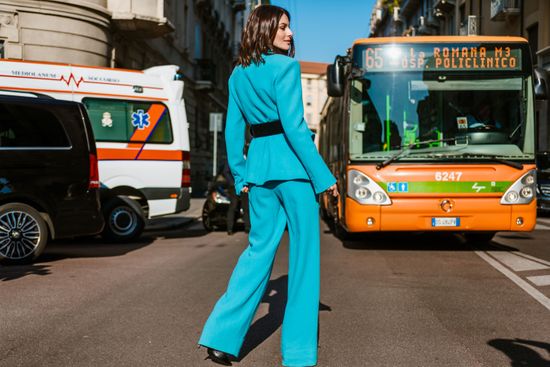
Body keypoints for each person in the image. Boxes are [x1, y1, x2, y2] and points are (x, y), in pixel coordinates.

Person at [198, 5, 338, 367]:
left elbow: (233, 132)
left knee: (256, 255)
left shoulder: (237, 75)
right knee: (305, 261)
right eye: (284, 27)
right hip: (293, 173)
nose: (290, 33)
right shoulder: (287, 67)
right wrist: (324, 178)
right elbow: (294, 127)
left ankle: (220, 338)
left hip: (258, 173)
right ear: (265, 29)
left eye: (291, 27)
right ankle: (298, 353)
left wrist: (242, 175)